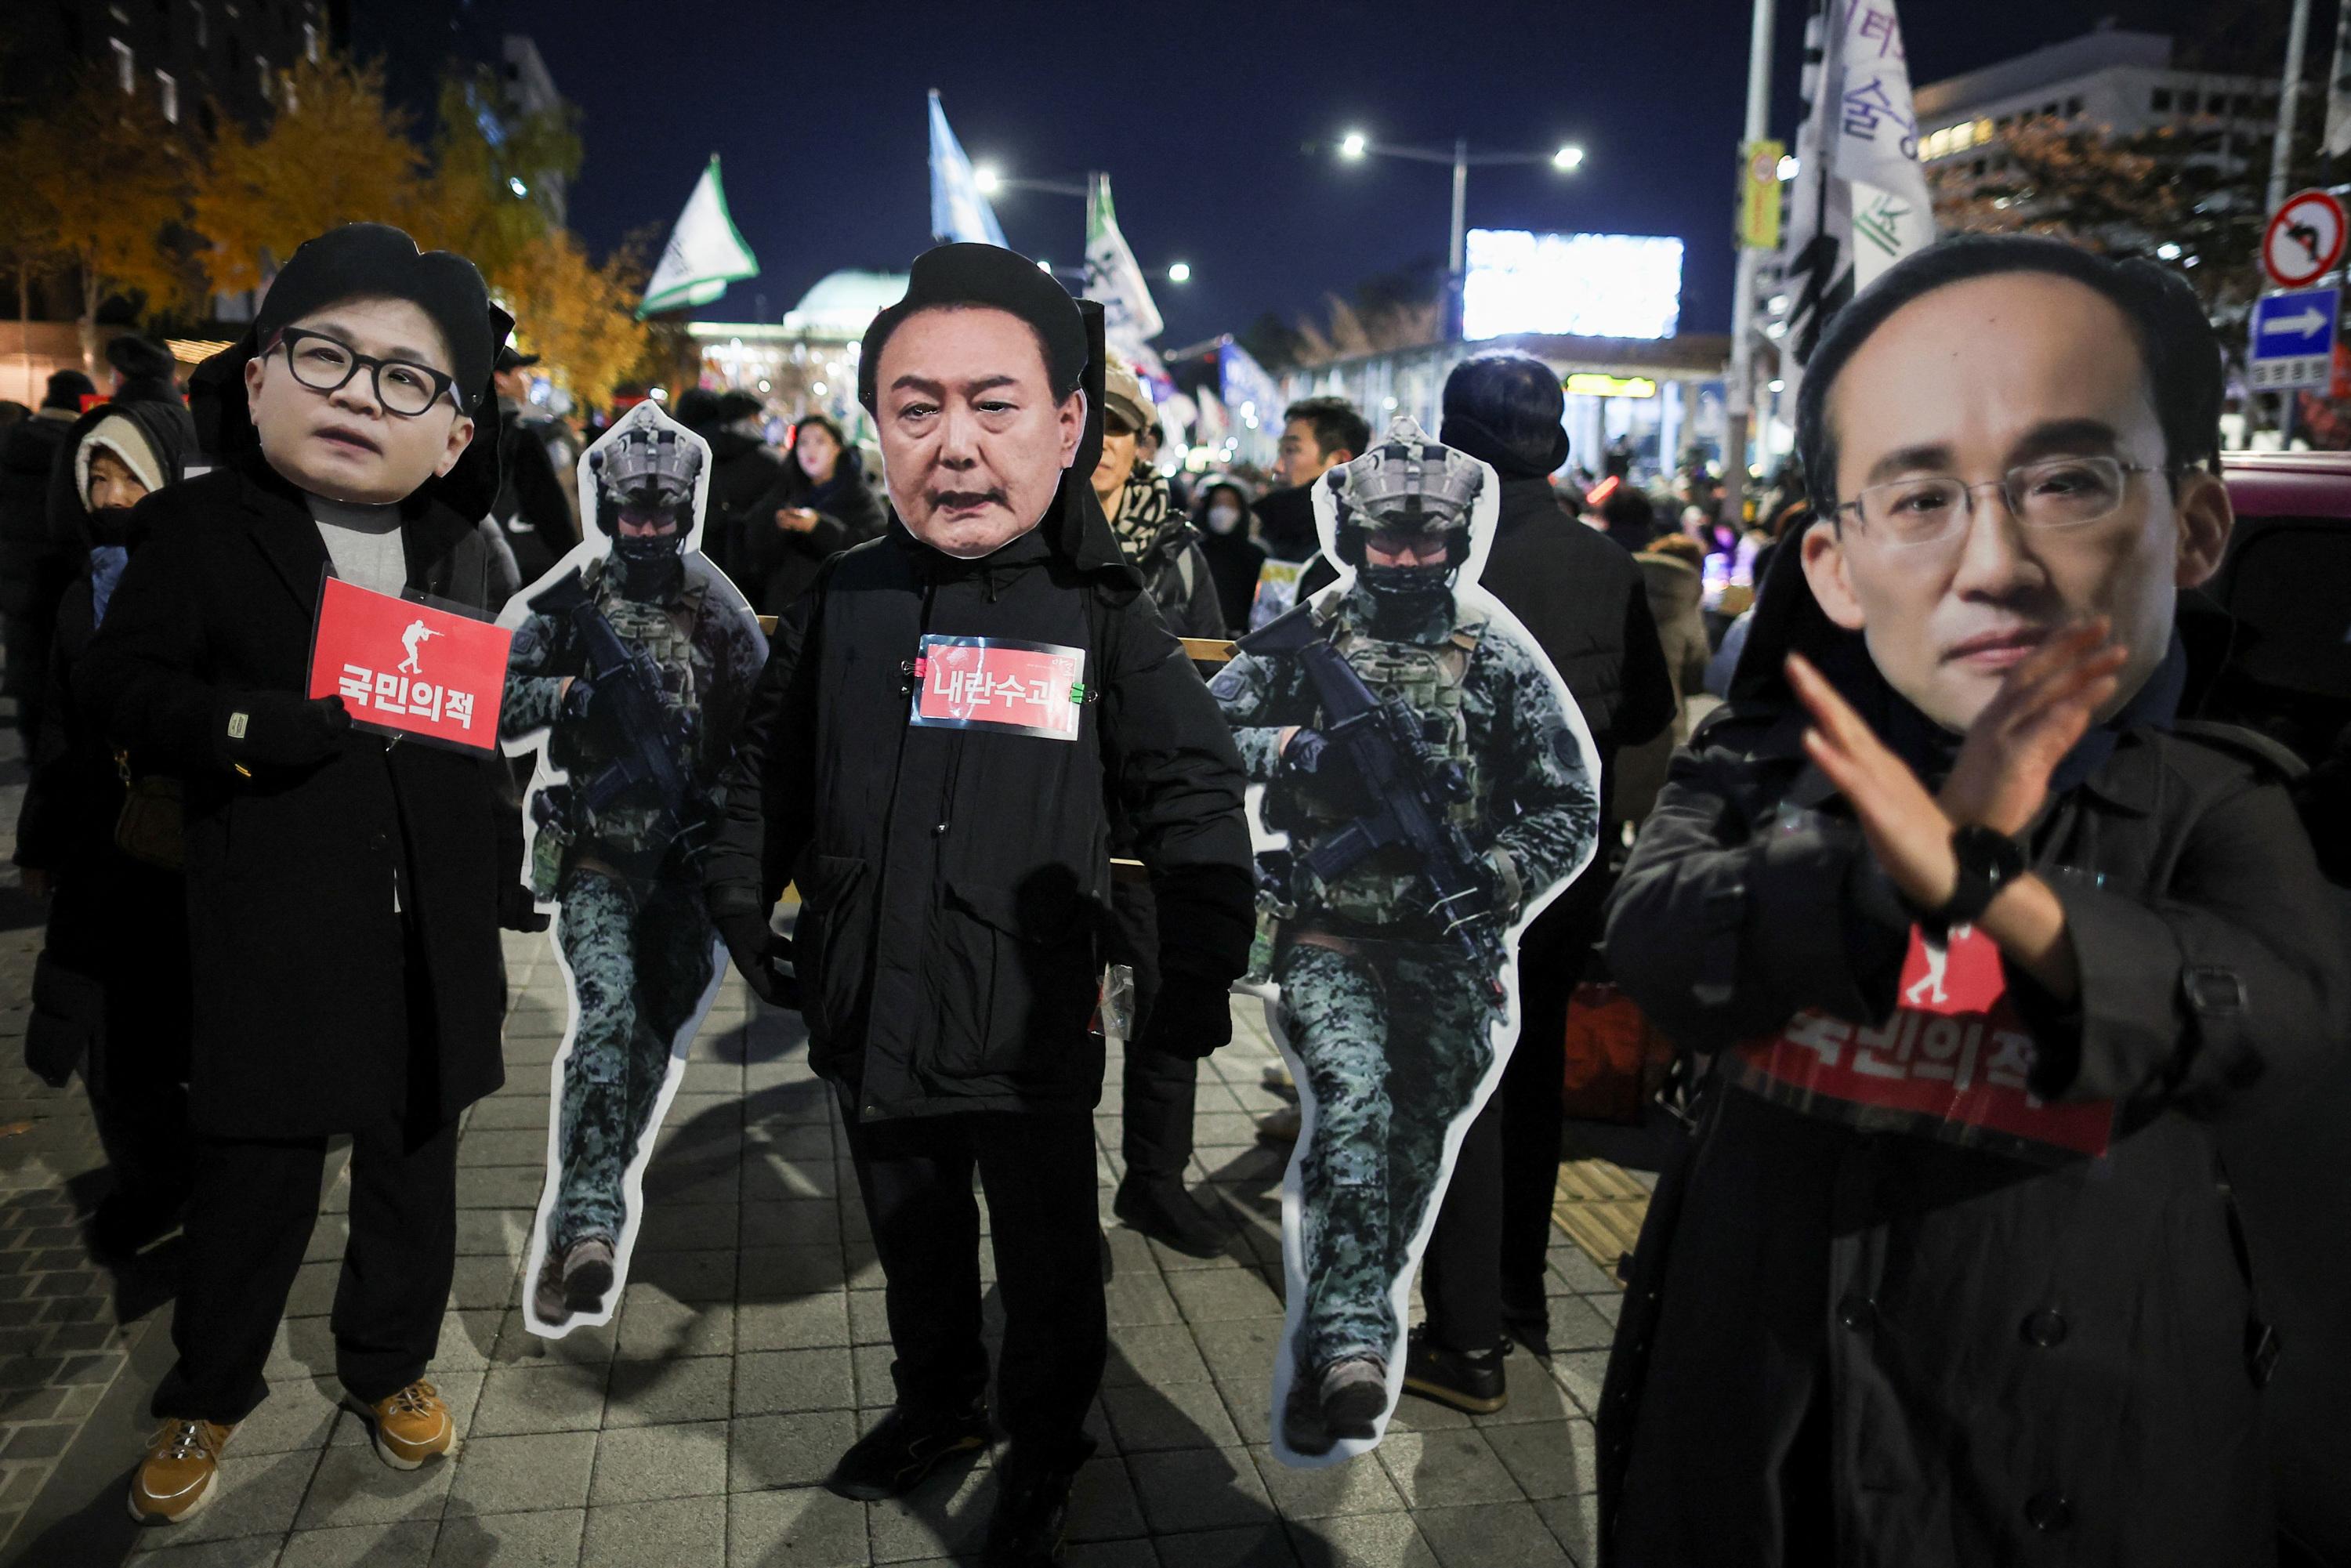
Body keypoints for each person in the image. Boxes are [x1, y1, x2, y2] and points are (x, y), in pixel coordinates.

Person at [1596, 234, 2350, 1566]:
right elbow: (1656, 943)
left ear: (2197, 528)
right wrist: (1887, 875)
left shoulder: (2219, 803)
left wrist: (1991, 887)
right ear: (1835, 563)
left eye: (2067, 481)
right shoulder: (1768, 760)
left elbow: (2273, 1029)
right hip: (1753, 1441)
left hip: (2068, 1462)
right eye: (1920, 495)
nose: (1989, 558)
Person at [702, 243, 1253, 1566]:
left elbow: (1193, 801)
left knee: (1055, 1269)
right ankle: (938, 1405)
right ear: (877, 426)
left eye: (993, 404)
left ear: (1068, 423)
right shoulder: (846, 596)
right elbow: (756, 776)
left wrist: (1196, 975)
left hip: (1026, 1027)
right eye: (916, 406)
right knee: (916, 1241)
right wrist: (739, 906)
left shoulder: (1100, 613)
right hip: (868, 1003)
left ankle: (1049, 1447)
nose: (954, 445)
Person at [78, 223, 531, 1525]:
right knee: (255, 1173)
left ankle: (387, 1366)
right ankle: (207, 1393)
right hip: (271, 917)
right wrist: (246, 728)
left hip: (429, 924)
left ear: (451, 432)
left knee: (412, 1164)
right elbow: (117, 684)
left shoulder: (461, 543)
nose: (356, 392)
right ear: (261, 375)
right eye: (327, 355)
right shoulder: (206, 528)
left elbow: (481, 704)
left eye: (407, 378)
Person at [1209, 416, 1601, 1454]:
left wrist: (1498, 875)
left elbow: (1568, 803)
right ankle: (1344, 1353)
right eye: (1388, 539)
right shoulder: (1316, 632)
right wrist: (1292, 745)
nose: (1408, 559)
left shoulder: (1496, 653)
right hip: (1333, 936)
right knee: (1350, 1117)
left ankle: (1356, 1329)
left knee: (1412, 1154)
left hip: (1448, 950)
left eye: (1429, 540)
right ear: (1357, 535)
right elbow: (1204, 725)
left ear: (1457, 535)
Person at [1374, 354, 1673, 1414]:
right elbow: (1647, 716)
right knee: (1531, 1079)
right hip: (1566, 870)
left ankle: (1468, 1342)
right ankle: (1521, 1304)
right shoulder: (1608, 563)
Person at [502, 405, 766, 1327]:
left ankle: (590, 1216)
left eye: (662, 515)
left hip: (686, 866)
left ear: (684, 513)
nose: (647, 530)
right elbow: (496, 698)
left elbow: (764, 734)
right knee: (608, 1013)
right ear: (610, 513)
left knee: (651, 1037)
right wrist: (571, 693)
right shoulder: (575, 598)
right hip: (600, 858)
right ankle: (585, 1229)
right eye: (632, 514)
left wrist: (737, 839)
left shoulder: (720, 610)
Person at [14, 400, 197, 1258]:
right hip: (97, 840)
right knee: (108, 1038)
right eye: (99, 475)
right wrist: (39, 842)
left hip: (184, 841)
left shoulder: (196, 573)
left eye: (130, 475)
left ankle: (202, 1181)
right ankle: (148, 1183)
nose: (113, 492)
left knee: (184, 1023)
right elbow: (53, 722)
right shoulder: (71, 585)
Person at [1090, 360, 1230, 1256]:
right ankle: (1062, 1194)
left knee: (1165, 999)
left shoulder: (1177, 548)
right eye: (1089, 423)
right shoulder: (1024, 528)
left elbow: (1215, 675)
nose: (1103, 445)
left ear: (1143, 444)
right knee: (1058, 1011)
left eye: (1120, 428)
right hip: (1050, 804)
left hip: (1148, 814)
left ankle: (1155, 1181)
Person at [2, 370, 96, 748]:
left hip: (15, 574)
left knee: (24, 653)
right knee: (59, 658)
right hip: (60, 572)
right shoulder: (76, 444)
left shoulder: (11, 440)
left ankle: (27, 736)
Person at [1612, 532, 1713, 831]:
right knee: (1652, 820)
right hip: (1662, 723)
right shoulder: (1686, 607)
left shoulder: (1617, 585)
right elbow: (1697, 672)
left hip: (1610, 718)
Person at [737, 412, 886, 615]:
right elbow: (755, 546)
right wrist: (776, 524)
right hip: (786, 613)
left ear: (837, 447)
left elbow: (874, 548)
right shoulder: (784, 490)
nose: (810, 450)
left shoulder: (857, 494)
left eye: (820, 441)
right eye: (803, 443)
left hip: (837, 612)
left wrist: (819, 527)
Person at [489, 344, 579, 587]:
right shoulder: (520, 438)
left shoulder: (455, 433)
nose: (528, 381)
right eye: (522, 373)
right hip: (521, 572)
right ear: (501, 381)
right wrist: (573, 566)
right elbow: (551, 512)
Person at [676, 388, 784, 584]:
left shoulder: (689, 456)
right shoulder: (769, 461)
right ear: (751, 417)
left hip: (696, 562)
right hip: (751, 570)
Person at [1255, 395, 1368, 563]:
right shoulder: (1268, 532)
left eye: (1291, 450)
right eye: (1280, 451)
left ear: (1339, 461)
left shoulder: (1364, 552)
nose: (1277, 466)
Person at [1193, 476, 1266, 632]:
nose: (1223, 511)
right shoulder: (1194, 553)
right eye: (1217, 504)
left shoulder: (1256, 555)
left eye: (1230, 505)